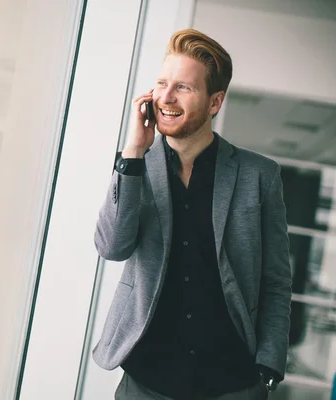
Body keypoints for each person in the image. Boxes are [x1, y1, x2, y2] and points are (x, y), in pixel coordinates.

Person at [92, 29, 292, 400]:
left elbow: (276, 281)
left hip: (232, 381)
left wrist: (269, 366)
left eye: (183, 87)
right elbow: (111, 247)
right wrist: (134, 150)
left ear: (214, 102)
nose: (165, 97)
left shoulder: (259, 175)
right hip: (146, 378)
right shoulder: (135, 165)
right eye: (161, 83)